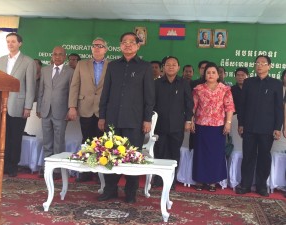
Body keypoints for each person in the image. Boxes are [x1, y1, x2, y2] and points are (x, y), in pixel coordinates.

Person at [98, 32, 154, 203]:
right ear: (120, 46)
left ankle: (131, 193)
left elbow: (149, 96)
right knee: (111, 156)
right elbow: (105, 92)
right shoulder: (113, 66)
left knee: (132, 157)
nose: (128, 45)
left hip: (134, 120)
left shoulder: (145, 67)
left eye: (132, 42)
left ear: (138, 46)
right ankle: (110, 190)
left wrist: (147, 119)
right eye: (124, 42)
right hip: (113, 120)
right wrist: (102, 116)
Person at [236, 55, 283, 197]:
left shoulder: (276, 84)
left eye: (263, 63)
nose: (259, 66)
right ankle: (245, 185)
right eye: (257, 63)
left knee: (264, 157)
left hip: (267, 128)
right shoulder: (248, 82)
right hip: (249, 127)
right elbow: (242, 105)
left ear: (269, 66)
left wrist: (277, 127)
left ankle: (262, 186)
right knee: (248, 156)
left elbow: (278, 108)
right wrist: (241, 123)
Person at [0, 32, 36, 177]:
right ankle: (3, 165)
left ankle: (13, 166)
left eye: (13, 41)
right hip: (1, 105)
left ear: (20, 43)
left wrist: (28, 106)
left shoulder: (28, 61)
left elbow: (31, 86)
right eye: (8, 42)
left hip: (18, 106)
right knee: (2, 137)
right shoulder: (0, 60)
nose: (10, 44)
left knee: (15, 138)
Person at [68, 37, 109, 182]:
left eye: (100, 46)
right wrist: (72, 106)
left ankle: (101, 172)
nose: (97, 48)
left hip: (104, 110)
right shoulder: (81, 64)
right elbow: (74, 86)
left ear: (106, 49)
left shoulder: (112, 66)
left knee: (102, 142)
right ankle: (87, 171)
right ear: (91, 49)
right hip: (85, 107)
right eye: (94, 46)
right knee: (87, 140)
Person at [191, 62, 235, 192]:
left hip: (218, 127)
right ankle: (199, 179)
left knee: (215, 154)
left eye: (213, 72)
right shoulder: (198, 89)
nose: (210, 75)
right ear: (204, 74)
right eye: (208, 72)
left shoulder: (225, 89)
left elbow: (229, 107)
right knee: (201, 153)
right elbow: (193, 107)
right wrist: (191, 121)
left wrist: (228, 123)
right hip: (201, 125)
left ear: (218, 75)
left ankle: (212, 181)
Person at [153, 56, 193, 189]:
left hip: (177, 125)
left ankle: (171, 181)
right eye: (168, 64)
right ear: (163, 67)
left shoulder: (184, 83)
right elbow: (151, 104)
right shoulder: (156, 83)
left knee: (174, 153)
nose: (171, 66)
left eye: (174, 64)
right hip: (159, 125)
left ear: (178, 67)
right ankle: (158, 180)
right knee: (159, 152)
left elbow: (189, 104)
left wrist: (188, 120)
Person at [37, 46, 74, 179]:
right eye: (55, 54)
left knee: (59, 141)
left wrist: (71, 109)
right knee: (47, 141)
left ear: (65, 56)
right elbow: (41, 91)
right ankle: (47, 167)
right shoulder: (45, 70)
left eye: (60, 54)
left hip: (61, 111)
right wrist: (39, 108)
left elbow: (72, 93)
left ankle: (57, 170)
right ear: (51, 56)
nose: (57, 57)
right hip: (45, 111)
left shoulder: (70, 71)